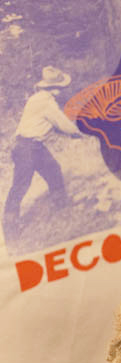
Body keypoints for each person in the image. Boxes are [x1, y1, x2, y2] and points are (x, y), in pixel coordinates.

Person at [3, 66, 83, 238]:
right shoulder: (47, 103)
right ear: (53, 88)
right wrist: (77, 133)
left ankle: (61, 208)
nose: (62, 91)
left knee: (54, 170)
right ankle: (9, 228)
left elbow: (52, 125)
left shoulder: (36, 98)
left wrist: (69, 132)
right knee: (20, 186)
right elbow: (61, 123)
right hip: (27, 148)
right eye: (61, 87)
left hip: (33, 146)